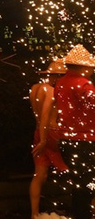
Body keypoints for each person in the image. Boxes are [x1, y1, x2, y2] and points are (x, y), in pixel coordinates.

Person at [54, 44, 95, 219]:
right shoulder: (83, 84)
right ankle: (84, 214)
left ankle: (80, 213)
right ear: (83, 67)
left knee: (79, 182)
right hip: (86, 138)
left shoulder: (60, 83)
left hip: (67, 138)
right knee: (88, 182)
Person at [29, 58, 68, 219]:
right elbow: (45, 115)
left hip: (38, 131)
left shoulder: (35, 88)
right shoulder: (51, 91)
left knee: (39, 175)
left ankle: (34, 213)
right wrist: (45, 139)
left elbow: (38, 115)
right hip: (50, 132)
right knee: (70, 170)